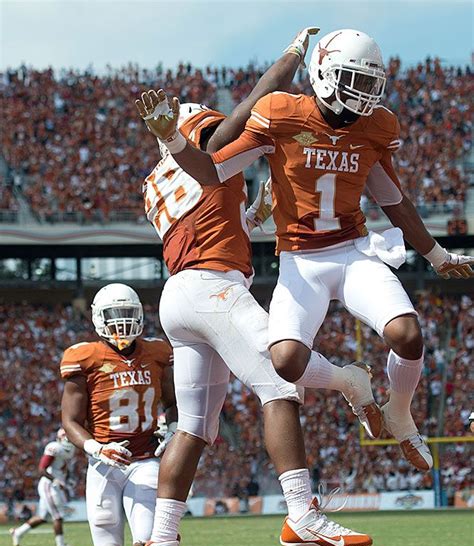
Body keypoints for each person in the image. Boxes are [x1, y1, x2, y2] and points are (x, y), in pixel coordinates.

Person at [147, 28, 474, 473]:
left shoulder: (378, 126)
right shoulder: (282, 114)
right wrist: (174, 141)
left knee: (407, 333)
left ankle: (400, 411)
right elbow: (212, 171)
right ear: (322, 74)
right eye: (352, 80)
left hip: (354, 250)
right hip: (301, 260)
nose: (363, 94)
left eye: (369, 83)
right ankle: (352, 383)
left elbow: (393, 199)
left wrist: (437, 256)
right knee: (286, 361)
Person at [134, 29, 374, 546]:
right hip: (212, 287)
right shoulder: (203, 143)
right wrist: (292, 57)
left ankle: (162, 543)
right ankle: (302, 512)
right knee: (278, 381)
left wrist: (254, 214)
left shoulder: (159, 181)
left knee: (194, 429)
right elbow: (247, 111)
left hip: (180, 296)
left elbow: (212, 223)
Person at [60, 283, 177, 546]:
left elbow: (174, 404)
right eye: (114, 317)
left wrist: (171, 429)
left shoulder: (159, 353)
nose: (122, 324)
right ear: (98, 318)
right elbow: (71, 420)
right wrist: (96, 447)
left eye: (128, 315)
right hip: (105, 464)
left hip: (145, 460)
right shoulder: (84, 357)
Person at [10, 428, 78, 546]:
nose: (67, 438)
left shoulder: (71, 449)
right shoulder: (54, 447)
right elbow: (41, 469)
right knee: (58, 516)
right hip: (49, 485)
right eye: (64, 435)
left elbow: (63, 465)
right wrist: (55, 480)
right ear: (59, 437)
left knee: (42, 517)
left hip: (55, 484)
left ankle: (18, 533)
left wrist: (67, 478)